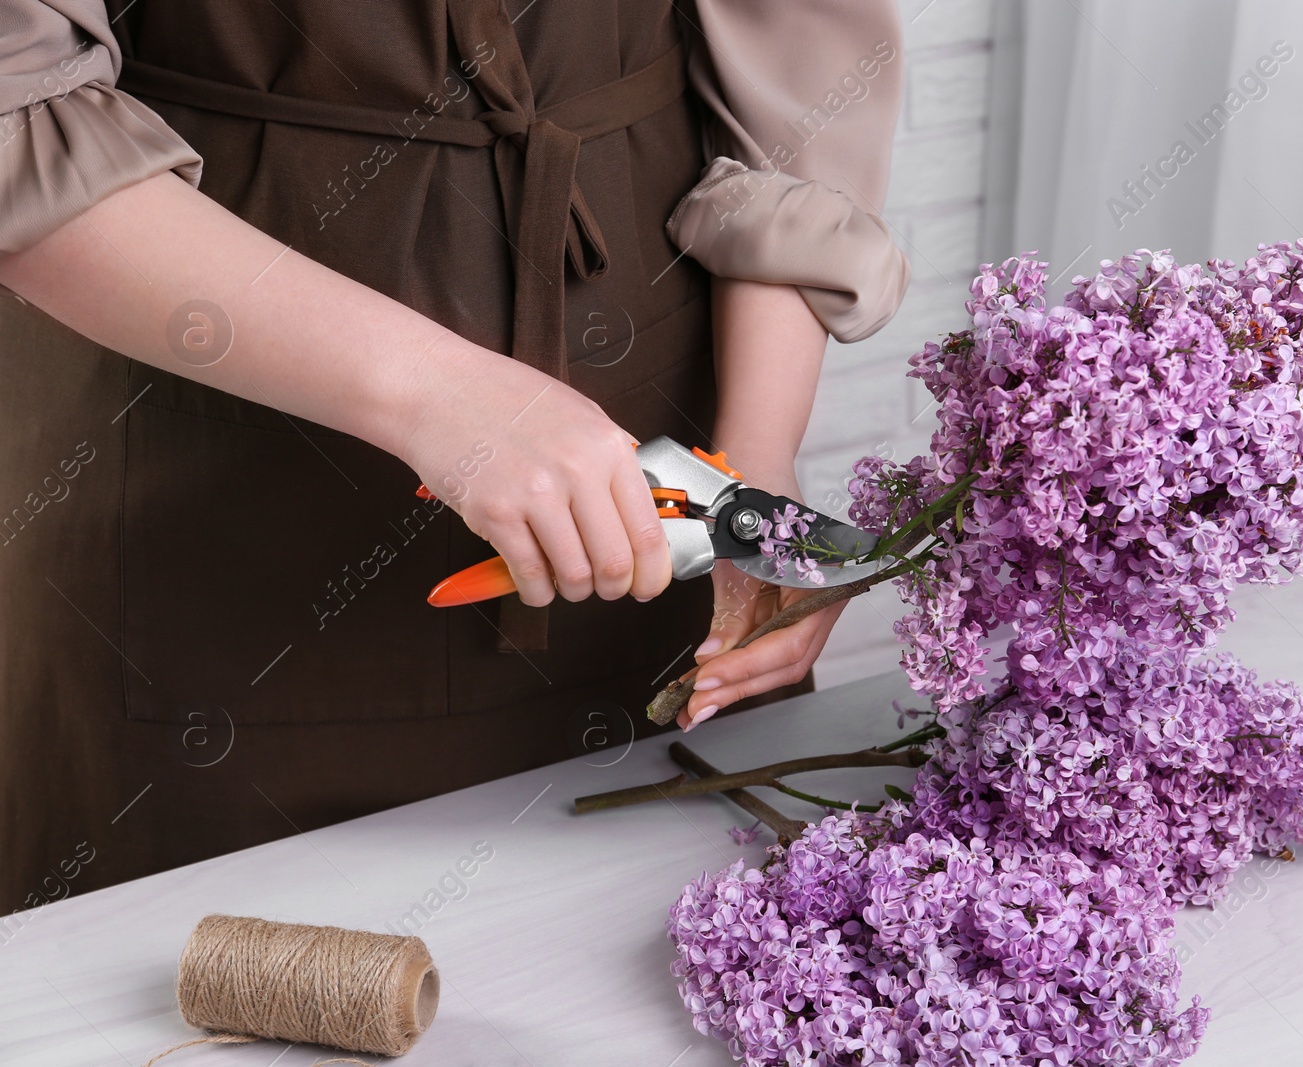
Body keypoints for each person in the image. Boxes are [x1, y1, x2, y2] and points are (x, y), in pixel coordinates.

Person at [0, 0, 909, 913]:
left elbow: (796, 63)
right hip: (204, 468)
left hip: (656, 451)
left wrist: (748, 465)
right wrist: (442, 395)